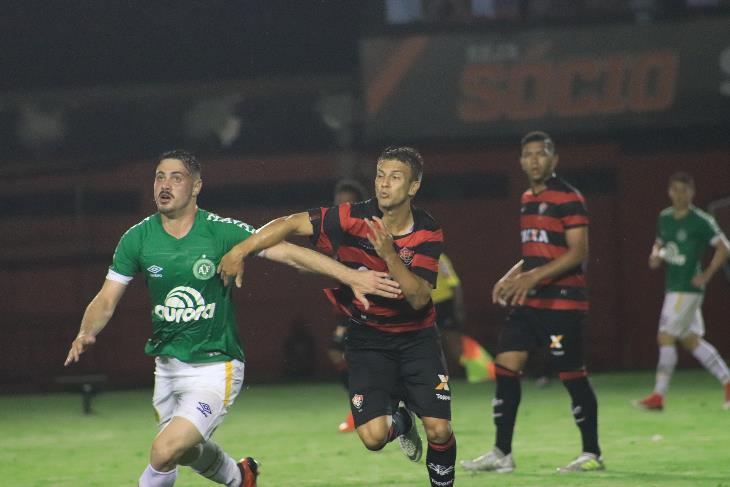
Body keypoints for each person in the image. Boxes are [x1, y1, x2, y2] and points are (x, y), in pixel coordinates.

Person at [64, 150, 401, 487]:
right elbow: (107, 298)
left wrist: (351, 276)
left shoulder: (221, 232)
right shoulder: (137, 238)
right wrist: (86, 331)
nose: (164, 185)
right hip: (166, 368)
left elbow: (291, 254)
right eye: (159, 177)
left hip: (215, 366)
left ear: (196, 186)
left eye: (175, 178)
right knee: (182, 452)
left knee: (163, 452)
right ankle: (241, 477)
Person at [219, 147, 458, 487]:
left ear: (414, 186)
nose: (384, 184)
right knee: (374, 438)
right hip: (368, 338)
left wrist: (389, 255)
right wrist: (241, 250)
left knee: (439, 429)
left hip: (416, 337)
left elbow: (419, 298)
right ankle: (402, 421)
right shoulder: (350, 217)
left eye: (395, 177)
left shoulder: (427, 230)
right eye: (380, 175)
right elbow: (289, 224)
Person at [461, 131, 604, 474]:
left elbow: (578, 253)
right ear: (522, 161)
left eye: (542, 154)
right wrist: (510, 277)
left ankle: (591, 453)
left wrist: (532, 278)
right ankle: (502, 453)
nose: (535, 160)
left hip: (563, 304)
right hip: (531, 303)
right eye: (529, 154)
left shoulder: (569, 197)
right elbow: (533, 254)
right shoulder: (526, 198)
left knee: (571, 374)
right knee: (506, 365)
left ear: (554, 159)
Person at [634, 171, 730, 411]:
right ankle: (728, 382)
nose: (679, 195)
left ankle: (658, 395)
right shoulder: (665, 217)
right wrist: (655, 255)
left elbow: (724, 247)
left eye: (684, 190)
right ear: (669, 192)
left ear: (692, 193)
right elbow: (659, 243)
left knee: (665, 337)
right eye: (675, 190)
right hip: (673, 287)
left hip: (687, 289)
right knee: (691, 340)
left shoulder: (700, 220)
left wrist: (707, 274)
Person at [328, 179, 369, 433]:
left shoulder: (365, 230)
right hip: (347, 306)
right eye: (338, 202)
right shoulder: (338, 233)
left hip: (365, 306)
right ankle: (361, 407)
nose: (340, 207)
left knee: (358, 357)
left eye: (346, 203)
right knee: (339, 353)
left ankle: (363, 409)